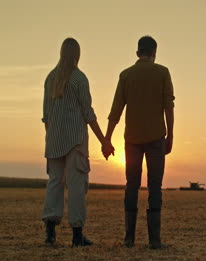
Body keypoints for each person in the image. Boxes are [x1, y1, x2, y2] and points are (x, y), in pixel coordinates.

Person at [41, 38, 114, 247]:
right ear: (77, 55)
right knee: (76, 185)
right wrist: (104, 141)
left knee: (54, 183)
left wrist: (51, 136)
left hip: (53, 139)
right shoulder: (79, 79)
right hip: (75, 140)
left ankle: (50, 232)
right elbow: (88, 113)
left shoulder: (50, 78)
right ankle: (76, 234)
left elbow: (46, 115)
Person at [104, 35, 175, 249]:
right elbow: (168, 108)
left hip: (132, 140)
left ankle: (129, 239)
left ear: (137, 53)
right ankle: (154, 240)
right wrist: (170, 135)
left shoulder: (126, 75)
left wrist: (107, 138)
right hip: (156, 139)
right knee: (155, 187)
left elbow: (116, 110)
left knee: (131, 186)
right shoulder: (162, 72)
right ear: (154, 52)